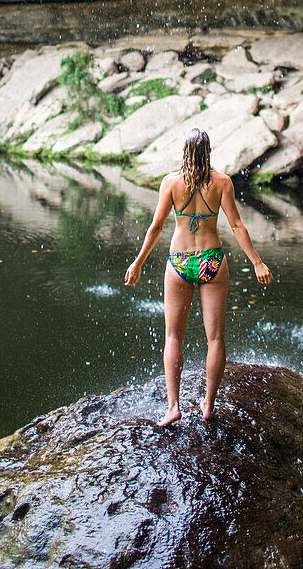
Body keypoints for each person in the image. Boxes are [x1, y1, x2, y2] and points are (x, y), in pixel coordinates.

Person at [124, 127, 273, 426]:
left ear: (184, 152)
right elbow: (237, 226)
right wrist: (257, 262)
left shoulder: (170, 183)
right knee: (215, 337)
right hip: (211, 261)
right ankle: (208, 404)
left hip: (179, 262)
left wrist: (138, 262)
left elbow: (155, 228)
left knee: (172, 336)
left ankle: (173, 407)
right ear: (208, 153)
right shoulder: (222, 183)